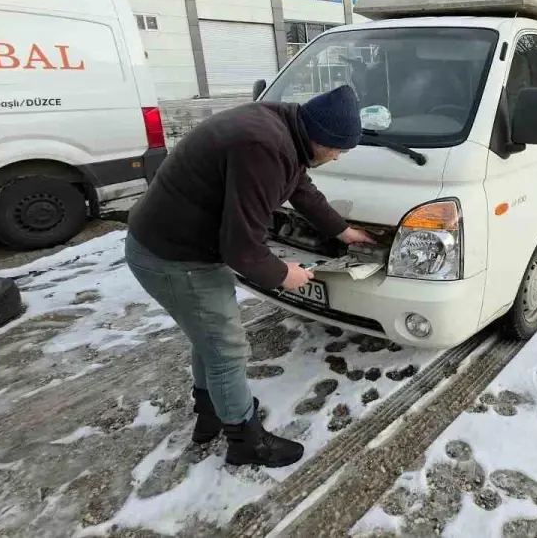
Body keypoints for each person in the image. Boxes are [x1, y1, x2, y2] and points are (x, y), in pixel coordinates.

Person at [124, 85, 374, 468]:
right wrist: (283, 274)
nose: (339, 157)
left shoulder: (284, 126)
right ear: (320, 138)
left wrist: (341, 231)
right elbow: (241, 249)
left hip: (173, 244)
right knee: (226, 348)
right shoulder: (263, 147)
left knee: (208, 336)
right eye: (339, 149)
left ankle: (211, 412)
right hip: (173, 256)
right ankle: (245, 441)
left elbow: (300, 186)